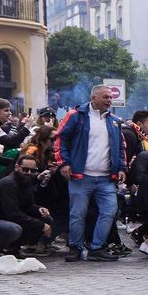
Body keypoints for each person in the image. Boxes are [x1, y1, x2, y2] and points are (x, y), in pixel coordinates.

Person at [54, 84, 126, 263]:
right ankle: (75, 247)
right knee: (77, 213)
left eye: (110, 97)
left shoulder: (115, 121)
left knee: (110, 211)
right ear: (93, 98)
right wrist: (63, 163)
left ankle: (96, 248)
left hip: (106, 178)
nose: (109, 100)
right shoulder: (75, 116)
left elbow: (120, 148)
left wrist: (122, 168)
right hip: (80, 176)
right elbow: (60, 138)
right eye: (105, 97)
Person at [0, 150, 53, 264]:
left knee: (46, 219)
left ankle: (12, 249)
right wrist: (41, 225)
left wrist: (39, 209)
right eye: (25, 169)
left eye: (33, 171)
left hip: (6, 219)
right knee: (15, 229)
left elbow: (28, 206)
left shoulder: (26, 182)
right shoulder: (9, 184)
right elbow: (13, 214)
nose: (29, 173)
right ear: (17, 167)